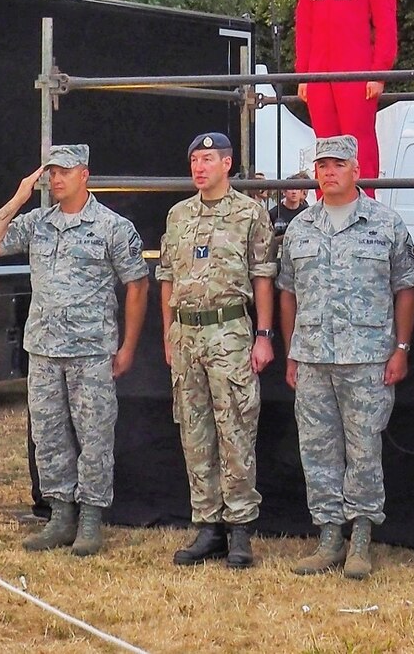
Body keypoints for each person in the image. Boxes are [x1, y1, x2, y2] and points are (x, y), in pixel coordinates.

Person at [0, 143, 148, 558]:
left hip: (91, 351)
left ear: (84, 174)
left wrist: (127, 346)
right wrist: (18, 198)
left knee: (94, 436)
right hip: (45, 350)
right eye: (51, 172)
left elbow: (138, 285)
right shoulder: (37, 223)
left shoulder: (113, 227)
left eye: (64, 172)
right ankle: (60, 514)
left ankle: (90, 519)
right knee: (49, 437)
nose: (55, 179)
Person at [276, 134, 414, 580]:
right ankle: (329, 535)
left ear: (356, 170)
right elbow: (288, 293)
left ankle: (360, 537)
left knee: (364, 449)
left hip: (368, 358)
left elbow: (405, 288)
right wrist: (292, 351)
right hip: (314, 358)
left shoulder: (386, 223)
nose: (329, 172)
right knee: (317, 450)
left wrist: (400, 348)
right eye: (322, 166)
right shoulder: (299, 227)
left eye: (338, 164)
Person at [155, 131, 277, 571]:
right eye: (194, 161)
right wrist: (168, 331)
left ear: (227, 164)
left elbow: (263, 275)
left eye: (208, 159)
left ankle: (240, 528)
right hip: (187, 335)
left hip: (229, 331)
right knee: (195, 431)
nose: (199, 167)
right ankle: (207, 524)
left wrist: (264, 334)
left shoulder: (250, 213)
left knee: (237, 429)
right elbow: (166, 275)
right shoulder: (177, 215)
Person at [294, 0, 398, 182]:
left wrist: (378, 73)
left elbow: (386, 26)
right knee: (325, 145)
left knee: (358, 143)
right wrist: (302, 75)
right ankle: (326, 209)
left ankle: (366, 204)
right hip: (318, 73)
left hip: (357, 72)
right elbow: (304, 27)